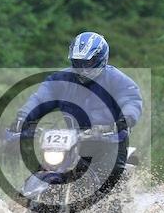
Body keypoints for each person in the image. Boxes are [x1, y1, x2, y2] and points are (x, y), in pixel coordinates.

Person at [10, 31, 142, 188]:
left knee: (108, 181)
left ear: (101, 59)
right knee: (45, 171)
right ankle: (31, 196)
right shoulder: (60, 80)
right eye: (78, 62)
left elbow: (131, 100)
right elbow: (40, 99)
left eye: (88, 62)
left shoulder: (118, 80)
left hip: (110, 140)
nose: (82, 68)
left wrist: (125, 119)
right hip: (73, 139)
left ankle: (114, 203)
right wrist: (23, 117)